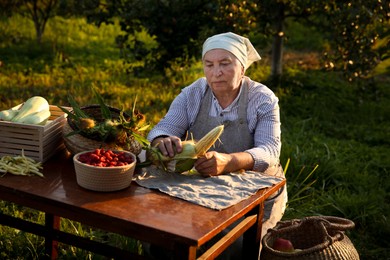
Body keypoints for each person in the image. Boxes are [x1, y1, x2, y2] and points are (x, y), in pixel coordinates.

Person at [147, 32, 287, 259]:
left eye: (225, 63)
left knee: (238, 247)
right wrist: (162, 140)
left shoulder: (262, 99)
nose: (216, 72)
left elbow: (270, 151)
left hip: (256, 190)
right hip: (206, 185)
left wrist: (229, 161)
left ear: (242, 68)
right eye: (209, 64)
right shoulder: (193, 94)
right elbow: (164, 128)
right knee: (165, 238)